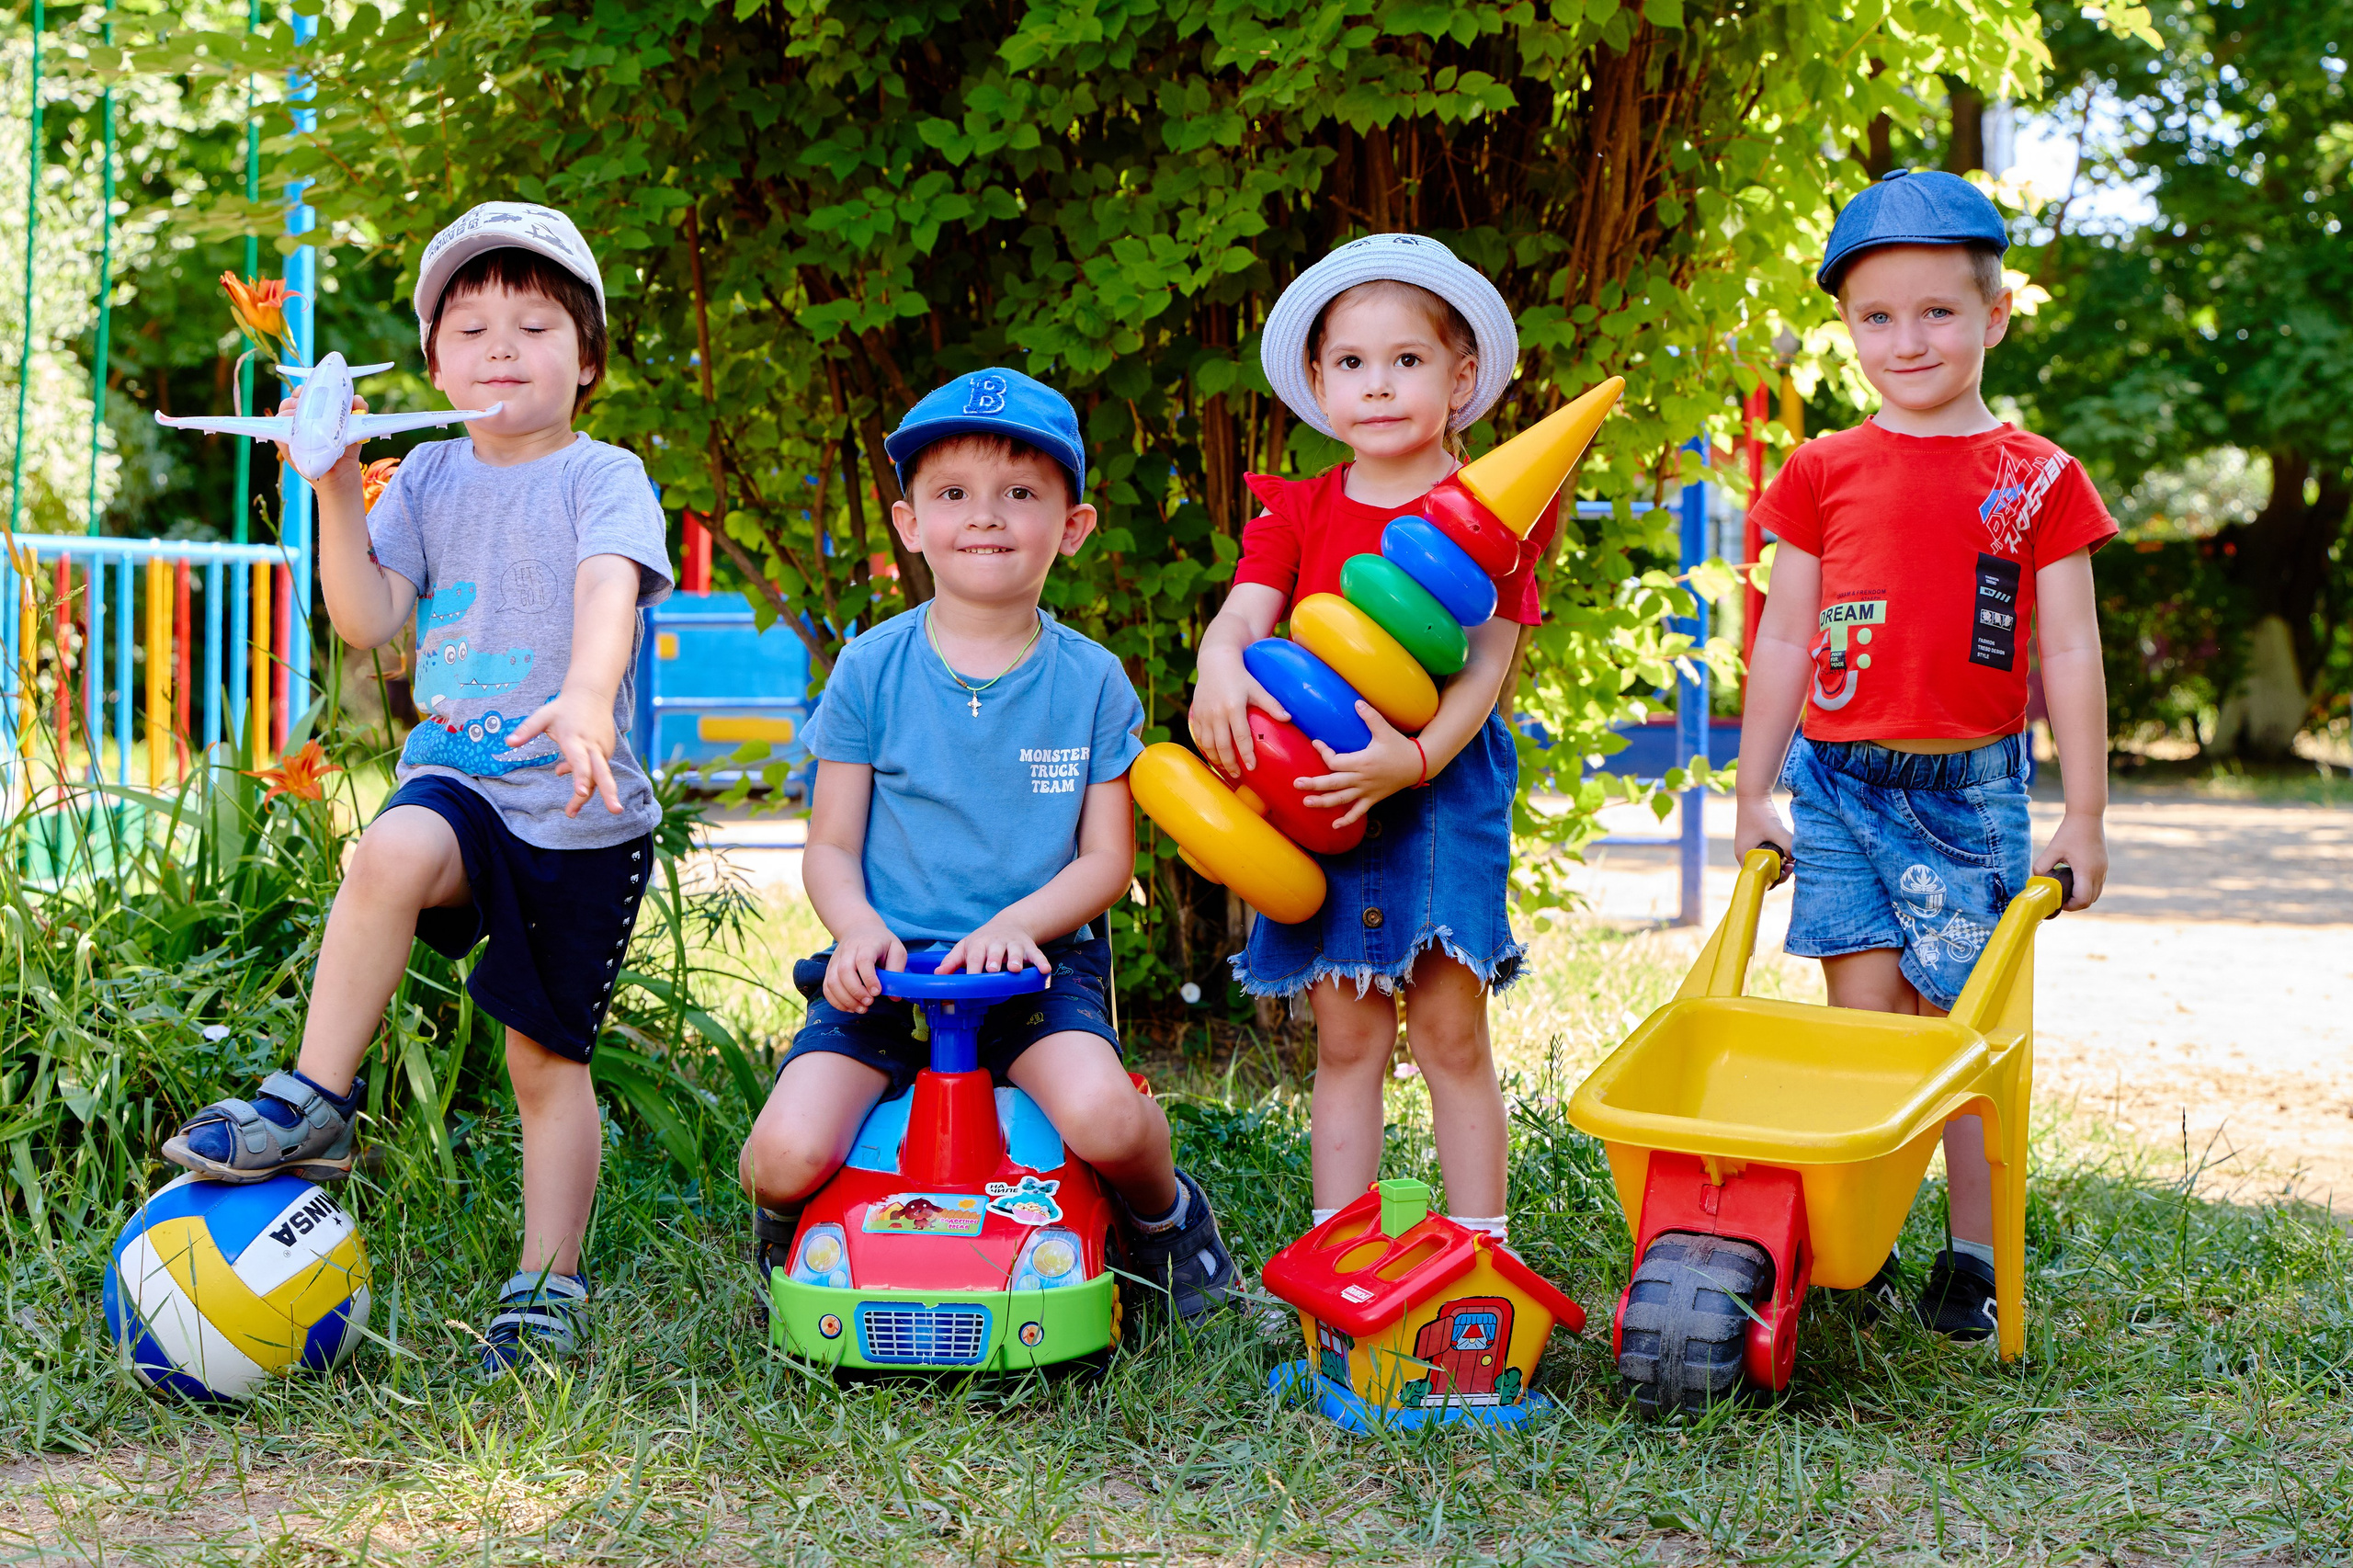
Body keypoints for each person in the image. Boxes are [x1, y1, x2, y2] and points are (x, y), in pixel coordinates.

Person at [160, 201, 675, 1372]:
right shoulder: (431, 476)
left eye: (536, 324)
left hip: (577, 812)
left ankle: (549, 1280)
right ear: (434, 362)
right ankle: (315, 1097)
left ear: (586, 360)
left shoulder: (606, 475)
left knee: (543, 1065)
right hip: (459, 779)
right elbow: (368, 618)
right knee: (387, 848)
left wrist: (590, 694)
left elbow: (607, 589)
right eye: (474, 324)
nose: (503, 345)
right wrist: (335, 482)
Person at [737, 368, 1238, 1321]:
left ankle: (1167, 1222)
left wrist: (1018, 923)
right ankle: (795, 1230)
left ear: (1072, 525)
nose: (987, 516)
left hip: (1036, 966)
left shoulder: (1091, 680)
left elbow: (1105, 861)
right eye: (953, 494)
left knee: (1098, 1114)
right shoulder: (870, 669)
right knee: (781, 1156)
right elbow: (831, 847)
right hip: (883, 969)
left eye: (1020, 493)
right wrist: (853, 931)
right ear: (908, 522)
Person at [1733, 169, 2115, 1339]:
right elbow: (1784, 632)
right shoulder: (1821, 471)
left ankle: (1968, 1254)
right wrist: (1755, 787)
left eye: (1938, 312)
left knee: (1959, 1031)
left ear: (1995, 316)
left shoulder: (2035, 476)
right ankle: (1867, 1237)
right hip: (1839, 784)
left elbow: (2070, 644)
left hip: (1970, 786)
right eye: (1877, 318)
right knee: (1865, 1020)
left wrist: (2085, 813)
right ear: (1847, 328)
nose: (1908, 340)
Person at [1189, 234, 1552, 1244]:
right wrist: (1220, 667)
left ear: (1460, 375)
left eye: (1407, 360)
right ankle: (1336, 1248)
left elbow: (1485, 666)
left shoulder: (1489, 515)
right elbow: (1242, 616)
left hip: (1435, 788)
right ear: (1317, 381)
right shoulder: (1303, 508)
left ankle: (1480, 1242)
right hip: (1316, 797)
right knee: (1345, 1036)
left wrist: (1419, 756)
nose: (1378, 384)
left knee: (1448, 1028)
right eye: (1351, 362)